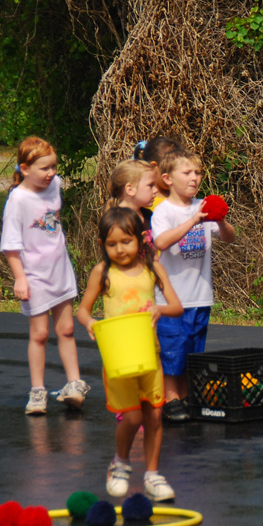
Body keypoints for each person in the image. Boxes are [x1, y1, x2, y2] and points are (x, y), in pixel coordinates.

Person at [78, 207, 182, 501]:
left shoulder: (153, 268)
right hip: (119, 357)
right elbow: (82, 310)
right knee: (133, 418)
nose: (120, 249)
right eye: (111, 244)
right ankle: (120, 463)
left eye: (126, 242)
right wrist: (91, 323)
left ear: (140, 240)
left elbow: (176, 306)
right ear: (102, 245)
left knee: (155, 416)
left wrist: (159, 308)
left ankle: (152, 474)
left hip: (149, 355)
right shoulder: (103, 272)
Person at [0, 137, 87, 414]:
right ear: (25, 169)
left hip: (60, 270)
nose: (51, 173)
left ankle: (74, 384)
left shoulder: (56, 185)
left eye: (53, 167)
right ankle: (38, 391)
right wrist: (20, 278)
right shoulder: (18, 200)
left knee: (67, 329)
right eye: (44, 168)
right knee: (39, 334)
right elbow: (11, 245)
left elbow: (52, 223)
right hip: (34, 276)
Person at [150, 147, 236, 421]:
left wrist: (219, 220)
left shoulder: (202, 206)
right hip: (171, 300)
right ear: (167, 179)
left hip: (200, 295)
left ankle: (187, 397)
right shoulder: (164, 211)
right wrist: (193, 220)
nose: (194, 178)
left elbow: (230, 238)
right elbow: (161, 242)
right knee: (173, 349)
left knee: (192, 351)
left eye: (198, 173)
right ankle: (170, 398)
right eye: (187, 172)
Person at [109, 159, 160, 249]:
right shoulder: (116, 220)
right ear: (130, 189)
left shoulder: (148, 215)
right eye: (150, 185)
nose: (156, 190)